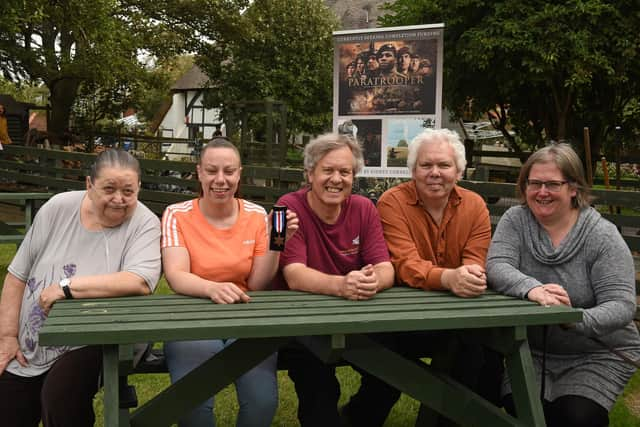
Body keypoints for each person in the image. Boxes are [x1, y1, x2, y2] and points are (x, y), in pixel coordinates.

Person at [341, 128, 500, 427]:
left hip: (456, 317)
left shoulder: (475, 205)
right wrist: (450, 279)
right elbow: (404, 264)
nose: (435, 173)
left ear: (460, 170)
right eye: (426, 165)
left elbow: (475, 260)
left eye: (444, 165)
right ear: (413, 170)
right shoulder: (391, 202)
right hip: (400, 319)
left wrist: (471, 275)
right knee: (384, 369)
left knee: (477, 357)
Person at [0, 149, 162, 427]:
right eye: (109, 189)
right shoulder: (57, 208)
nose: (119, 199)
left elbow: (139, 280)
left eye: (128, 191)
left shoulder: (144, 223)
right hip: (35, 337)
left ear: (139, 189)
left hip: (100, 335)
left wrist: (67, 287)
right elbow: (17, 276)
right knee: (7, 402)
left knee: (60, 396)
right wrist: (7, 336)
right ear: (89, 185)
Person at [486, 143, 640, 427]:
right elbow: (497, 266)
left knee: (576, 417)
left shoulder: (601, 236)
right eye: (534, 183)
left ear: (574, 188)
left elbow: (622, 305)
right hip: (529, 351)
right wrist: (534, 289)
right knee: (523, 409)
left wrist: (571, 318)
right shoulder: (515, 220)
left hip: (596, 352)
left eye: (552, 184)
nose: (541, 192)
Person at [161, 137, 298, 427]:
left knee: (263, 402)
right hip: (193, 314)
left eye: (229, 171)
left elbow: (258, 284)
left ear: (239, 173)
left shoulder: (257, 215)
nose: (220, 180)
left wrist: (277, 245)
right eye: (211, 171)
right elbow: (176, 276)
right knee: (192, 403)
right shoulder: (176, 214)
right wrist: (212, 288)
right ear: (198, 172)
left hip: (245, 312)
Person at [274, 133, 394, 427]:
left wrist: (371, 282)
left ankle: (354, 418)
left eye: (345, 172)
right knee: (319, 389)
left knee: (393, 372)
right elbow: (293, 275)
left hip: (353, 320)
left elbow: (386, 268)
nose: (336, 179)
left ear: (354, 176)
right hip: (298, 323)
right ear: (310, 174)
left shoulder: (365, 207)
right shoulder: (283, 207)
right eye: (327, 170)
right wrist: (342, 286)